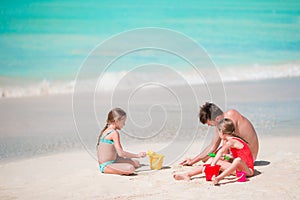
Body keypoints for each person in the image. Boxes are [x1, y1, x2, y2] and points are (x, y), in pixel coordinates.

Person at [174, 102, 258, 180]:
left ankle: (189, 174)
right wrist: (193, 161)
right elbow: (213, 146)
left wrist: (216, 161)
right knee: (208, 158)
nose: (209, 125)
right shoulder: (222, 123)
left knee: (214, 160)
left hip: (248, 159)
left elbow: (223, 151)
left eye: (209, 123)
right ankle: (191, 173)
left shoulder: (229, 119)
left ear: (217, 118)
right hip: (240, 156)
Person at [97, 108, 146, 175]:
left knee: (136, 163)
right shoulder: (114, 133)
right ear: (116, 121)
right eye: (123, 122)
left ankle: (119, 165)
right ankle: (112, 168)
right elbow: (121, 153)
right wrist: (137, 155)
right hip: (106, 165)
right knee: (130, 169)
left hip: (114, 160)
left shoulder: (106, 131)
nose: (124, 124)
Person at [211, 118, 254, 185]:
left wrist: (212, 165)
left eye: (218, 132)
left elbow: (220, 152)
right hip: (240, 168)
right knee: (217, 160)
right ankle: (193, 173)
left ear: (222, 132)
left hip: (248, 170)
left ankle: (218, 178)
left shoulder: (231, 142)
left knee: (237, 160)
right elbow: (243, 155)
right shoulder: (234, 139)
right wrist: (229, 157)